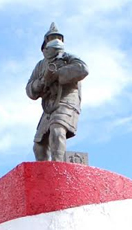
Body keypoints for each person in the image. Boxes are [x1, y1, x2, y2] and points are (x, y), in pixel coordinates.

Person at [26, 22, 89, 161]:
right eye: (51, 38)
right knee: (39, 145)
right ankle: (43, 177)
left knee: (57, 130)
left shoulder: (68, 58)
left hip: (67, 100)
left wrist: (58, 74)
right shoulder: (40, 65)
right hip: (49, 105)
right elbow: (30, 90)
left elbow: (83, 69)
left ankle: (58, 166)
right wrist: (41, 83)